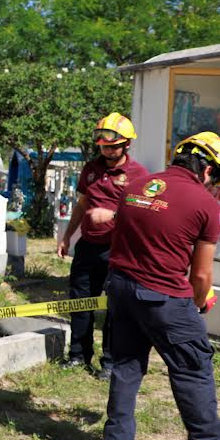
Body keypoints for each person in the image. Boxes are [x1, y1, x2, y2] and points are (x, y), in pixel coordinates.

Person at [94, 131, 220, 440]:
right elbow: (202, 276)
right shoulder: (204, 203)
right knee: (193, 370)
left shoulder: (138, 186)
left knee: (125, 368)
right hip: (165, 298)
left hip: (120, 289)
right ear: (207, 169)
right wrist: (200, 300)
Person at [57, 112, 148, 380]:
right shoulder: (91, 169)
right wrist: (67, 237)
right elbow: (82, 205)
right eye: (103, 146)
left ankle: (110, 362)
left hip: (119, 251)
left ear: (127, 144)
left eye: (113, 145)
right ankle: (77, 356)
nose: (107, 150)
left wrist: (112, 216)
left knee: (114, 308)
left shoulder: (138, 175)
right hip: (87, 247)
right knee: (80, 302)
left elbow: (142, 214)